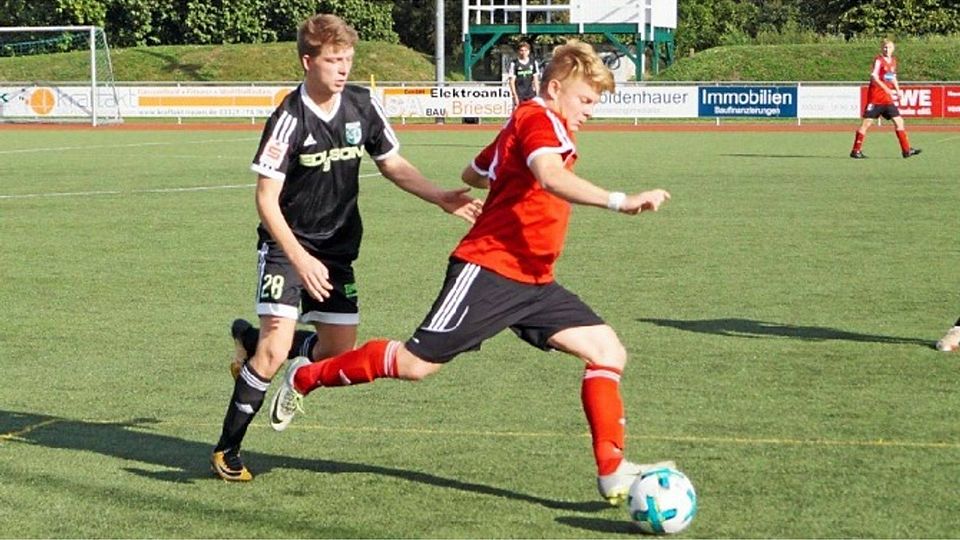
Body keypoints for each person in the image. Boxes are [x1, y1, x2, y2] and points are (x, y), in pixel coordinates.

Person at [268, 39, 675, 505]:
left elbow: (472, 172)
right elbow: (549, 176)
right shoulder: (538, 119)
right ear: (556, 87)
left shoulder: (530, 124)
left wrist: (502, 169)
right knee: (415, 365)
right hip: (489, 270)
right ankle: (305, 377)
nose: (590, 111)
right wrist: (620, 201)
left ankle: (612, 471)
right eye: (585, 100)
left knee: (607, 351)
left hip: (534, 280)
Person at [210, 13, 483, 482]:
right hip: (286, 247)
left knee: (339, 349)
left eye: (348, 60)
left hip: (337, 250)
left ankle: (251, 346)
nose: (343, 69)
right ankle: (226, 450)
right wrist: (299, 258)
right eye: (333, 60)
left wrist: (439, 196)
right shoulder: (288, 118)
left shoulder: (362, 105)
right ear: (307, 61)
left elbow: (392, 162)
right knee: (276, 352)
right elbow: (265, 200)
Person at [850, 38, 921, 159]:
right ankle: (856, 150)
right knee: (866, 124)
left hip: (887, 100)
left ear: (893, 49)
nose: (886, 49)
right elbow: (874, 78)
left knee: (899, 122)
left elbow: (891, 77)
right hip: (875, 98)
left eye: (889, 47)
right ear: (881, 48)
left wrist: (898, 90)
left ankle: (906, 150)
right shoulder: (878, 60)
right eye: (884, 47)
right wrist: (886, 88)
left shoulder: (893, 61)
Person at [507, 41, 539, 107]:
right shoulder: (514, 63)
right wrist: (515, 95)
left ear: (529, 51)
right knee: (519, 114)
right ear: (518, 51)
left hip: (531, 94)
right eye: (521, 50)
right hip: (519, 94)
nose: (523, 52)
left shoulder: (533, 62)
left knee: (531, 113)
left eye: (525, 50)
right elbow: (511, 81)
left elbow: (536, 80)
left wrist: (538, 94)